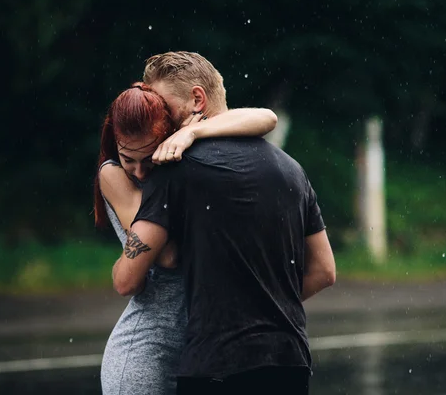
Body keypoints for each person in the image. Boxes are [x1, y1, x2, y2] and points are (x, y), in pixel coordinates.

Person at [113, 51, 336, 395]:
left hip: (215, 365)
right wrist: (267, 307)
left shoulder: (174, 168)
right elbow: (324, 271)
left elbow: (127, 279)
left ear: (197, 99)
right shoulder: (291, 169)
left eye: (164, 108)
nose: (158, 119)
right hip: (288, 361)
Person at [94, 81, 279, 395]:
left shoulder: (181, 153)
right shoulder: (112, 175)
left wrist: (194, 132)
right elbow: (167, 255)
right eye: (129, 159)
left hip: (199, 354)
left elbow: (267, 119)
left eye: (148, 159)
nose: (139, 172)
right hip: (146, 354)